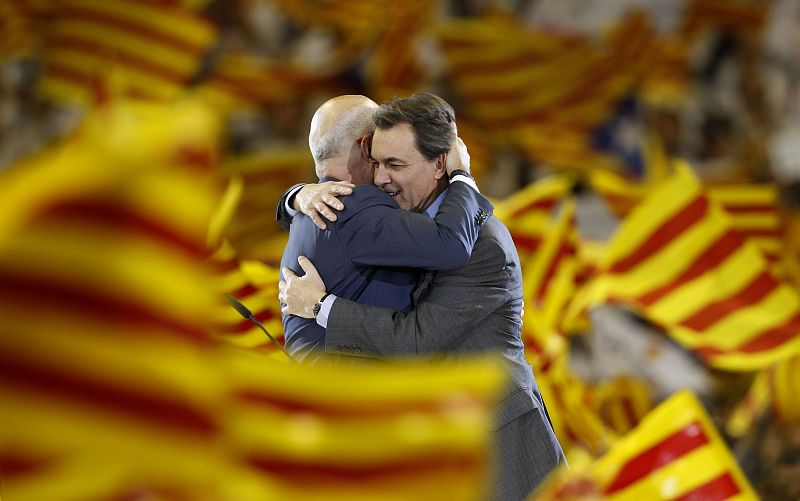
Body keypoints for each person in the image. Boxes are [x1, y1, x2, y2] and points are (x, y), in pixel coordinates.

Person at [279, 93, 566, 500]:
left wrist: (322, 307)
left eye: (395, 165)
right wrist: (298, 195)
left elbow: (415, 341)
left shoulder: (482, 245)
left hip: (500, 442)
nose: (380, 178)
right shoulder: (402, 222)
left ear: (438, 165)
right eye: (377, 163)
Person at [278, 94, 492, 363]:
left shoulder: (303, 213)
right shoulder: (356, 206)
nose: (382, 175)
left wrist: (293, 195)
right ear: (367, 145)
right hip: (356, 393)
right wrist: (461, 173)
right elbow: (452, 244)